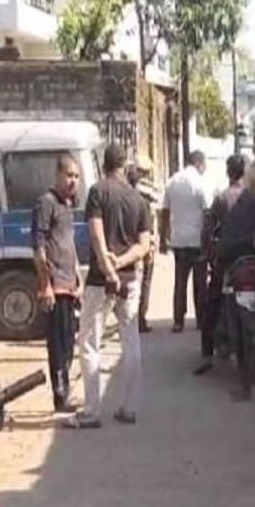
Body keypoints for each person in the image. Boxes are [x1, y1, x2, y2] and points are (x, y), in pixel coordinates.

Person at [67, 145, 153, 430]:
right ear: (124, 166)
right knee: (131, 343)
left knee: (89, 343)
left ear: (103, 165)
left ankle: (92, 410)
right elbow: (143, 246)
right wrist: (121, 262)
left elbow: (96, 235)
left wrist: (108, 267)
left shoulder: (98, 192)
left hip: (100, 281)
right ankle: (129, 408)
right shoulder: (138, 199)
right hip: (130, 281)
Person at [203, 154, 255, 398]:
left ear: (227, 173)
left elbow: (208, 228)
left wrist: (207, 252)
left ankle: (207, 351)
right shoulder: (252, 198)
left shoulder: (221, 198)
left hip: (226, 261)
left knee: (212, 301)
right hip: (250, 257)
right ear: (243, 172)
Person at [32, 153, 82, 413]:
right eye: (69, 175)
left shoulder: (67, 205)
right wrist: (46, 285)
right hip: (55, 286)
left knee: (69, 341)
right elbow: (38, 247)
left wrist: (78, 276)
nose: (73, 181)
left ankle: (66, 390)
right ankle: (60, 395)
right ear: (58, 175)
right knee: (58, 344)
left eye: (77, 176)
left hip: (69, 285)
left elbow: (68, 244)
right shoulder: (46, 203)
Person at [161, 150, 211, 333]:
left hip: (179, 239)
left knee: (180, 281)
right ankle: (201, 320)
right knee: (200, 283)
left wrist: (163, 237)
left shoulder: (172, 181)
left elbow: (165, 212)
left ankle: (178, 321)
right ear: (198, 163)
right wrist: (209, 241)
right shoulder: (201, 183)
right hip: (197, 240)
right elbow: (207, 213)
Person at [135, 152, 161, 333]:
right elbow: (153, 219)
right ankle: (141, 318)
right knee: (145, 282)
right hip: (145, 241)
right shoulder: (151, 190)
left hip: (131, 243)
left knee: (134, 281)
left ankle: (133, 318)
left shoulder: (128, 189)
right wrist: (153, 243)